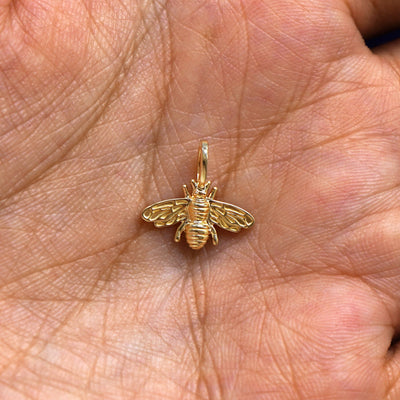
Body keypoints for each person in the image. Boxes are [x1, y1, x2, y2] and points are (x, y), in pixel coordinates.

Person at [0, 0, 399, 398]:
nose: (198, 201)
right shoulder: (204, 212)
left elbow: (212, 218)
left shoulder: (192, 210)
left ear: (200, 208)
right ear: (200, 209)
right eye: (197, 202)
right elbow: (193, 217)